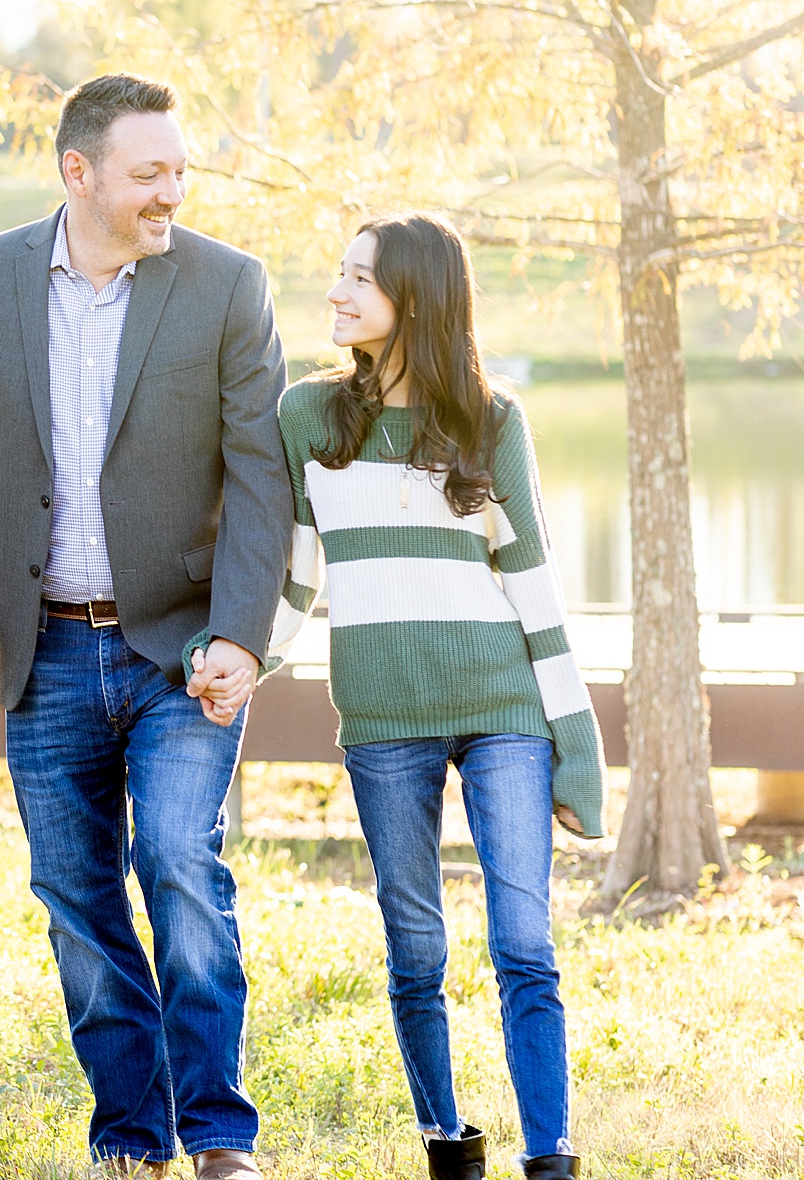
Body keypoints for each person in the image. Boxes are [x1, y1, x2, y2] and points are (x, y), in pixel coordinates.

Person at [0, 72, 291, 1179]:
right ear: (78, 172)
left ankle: (218, 1133)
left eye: (179, 170)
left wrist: (241, 636)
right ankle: (131, 1132)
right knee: (76, 897)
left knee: (175, 859)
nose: (172, 190)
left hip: (181, 650)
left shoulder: (225, 285)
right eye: (147, 172)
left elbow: (259, 480)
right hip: (46, 647)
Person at [264, 213, 603, 1180]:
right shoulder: (309, 416)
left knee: (523, 940)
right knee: (414, 948)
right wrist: (245, 654)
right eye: (337, 272)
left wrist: (573, 735)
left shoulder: (493, 421)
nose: (334, 291)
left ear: (413, 300)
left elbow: (533, 582)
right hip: (381, 719)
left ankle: (550, 1158)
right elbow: (297, 574)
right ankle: (448, 1145)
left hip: (503, 708)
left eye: (357, 278)